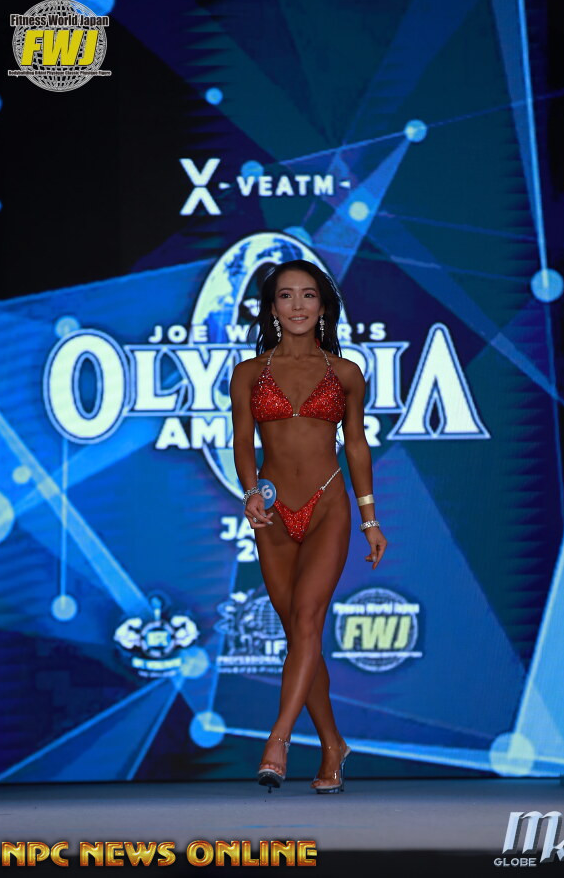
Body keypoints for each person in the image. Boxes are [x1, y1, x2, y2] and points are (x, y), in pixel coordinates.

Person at [229, 259, 388, 793]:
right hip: (273, 513)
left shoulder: (346, 373)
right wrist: (251, 492)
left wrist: (369, 518)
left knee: (306, 621)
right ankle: (333, 745)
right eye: (285, 295)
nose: (297, 305)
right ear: (271, 308)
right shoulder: (248, 373)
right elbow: (242, 441)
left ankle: (277, 742)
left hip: (327, 507)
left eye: (308, 295)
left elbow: (357, 445)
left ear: (323, 307)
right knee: (300, 635)